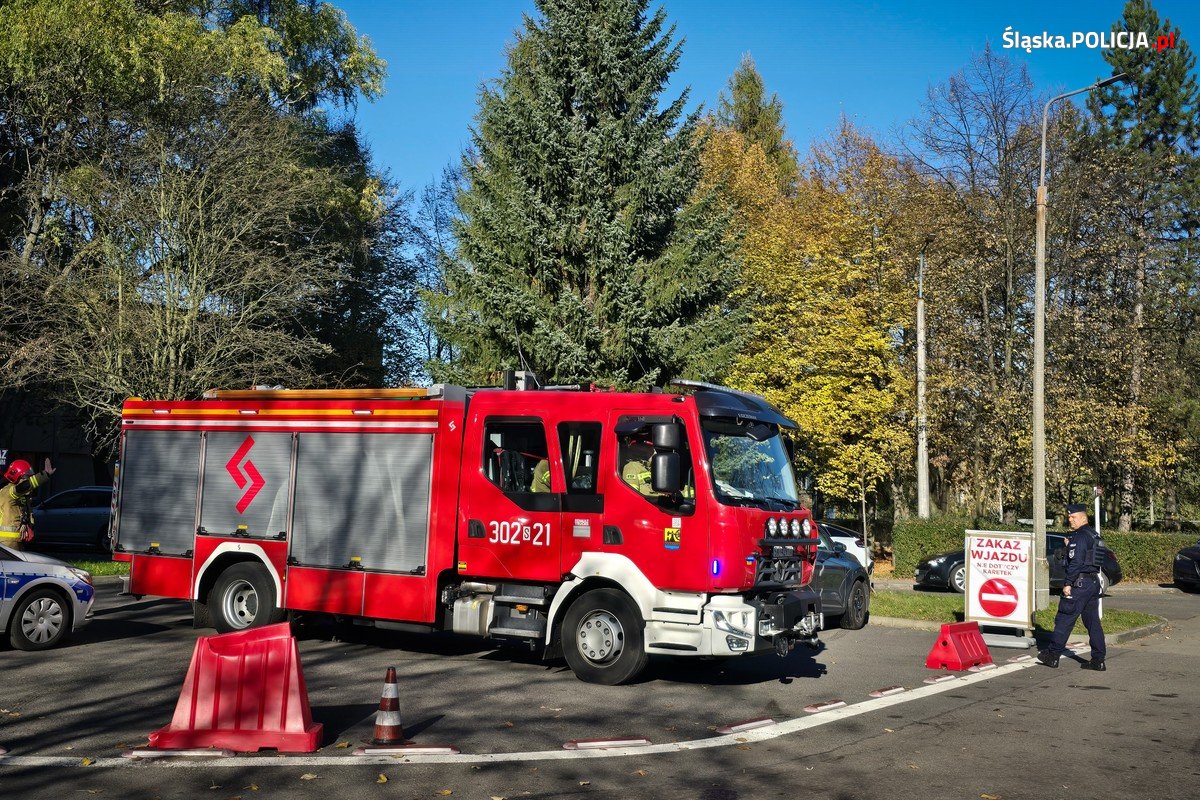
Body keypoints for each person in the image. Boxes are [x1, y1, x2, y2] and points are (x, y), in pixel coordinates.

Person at [1037, 503, 1107, 671]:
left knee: (1064, 619)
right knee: (1093, 623)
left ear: (1083, 518)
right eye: (1069, 517)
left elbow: (1076, 562)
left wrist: (1068, 583)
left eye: (1073, 517)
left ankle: (1052, 655)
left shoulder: (1080, 536)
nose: (1070, 520)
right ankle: (1098, 660)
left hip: (1079, 584)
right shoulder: (1093, 535)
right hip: (1091, 583)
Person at [0, 457, 56, 551]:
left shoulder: (23, 497)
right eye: (27, 478)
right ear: (16, 477)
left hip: (19, 541)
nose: (29, 480)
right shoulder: (8, 492)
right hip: (8, 543)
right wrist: (44, 475)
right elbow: (23, 487)